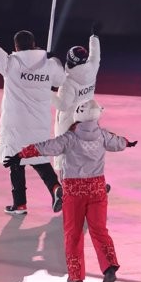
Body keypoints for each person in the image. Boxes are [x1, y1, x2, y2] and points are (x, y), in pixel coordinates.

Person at [3, 100, 135, 282]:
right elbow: (119, 143)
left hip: (74, 191)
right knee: (99, 231)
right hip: (97, 189)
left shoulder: (70, 138)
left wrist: (21, 155)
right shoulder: (103, 136)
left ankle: (76, 275)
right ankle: (109, 266)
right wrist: (128, 143)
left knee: (73, 233)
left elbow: (47, 146)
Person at [0, 21, 66, 214]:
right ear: (34, 43)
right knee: (39, 159)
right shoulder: (48, 65)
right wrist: (55, 60)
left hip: (15, 124)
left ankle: (19, 204)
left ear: (16, 47)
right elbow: (60, 80)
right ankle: (55, 188)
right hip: (39, 123)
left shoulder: (11, 64)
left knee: (16, 161)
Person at [52, 22, 101, 183]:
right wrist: (94, 37)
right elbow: (95, 55)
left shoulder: (68, 82)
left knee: (65, 154)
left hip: (69, 121)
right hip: (88, 117)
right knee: (86, 152)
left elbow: (63, 105)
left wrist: (47, 91)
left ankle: (65, 191)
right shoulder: (92, 68)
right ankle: (91, 184)